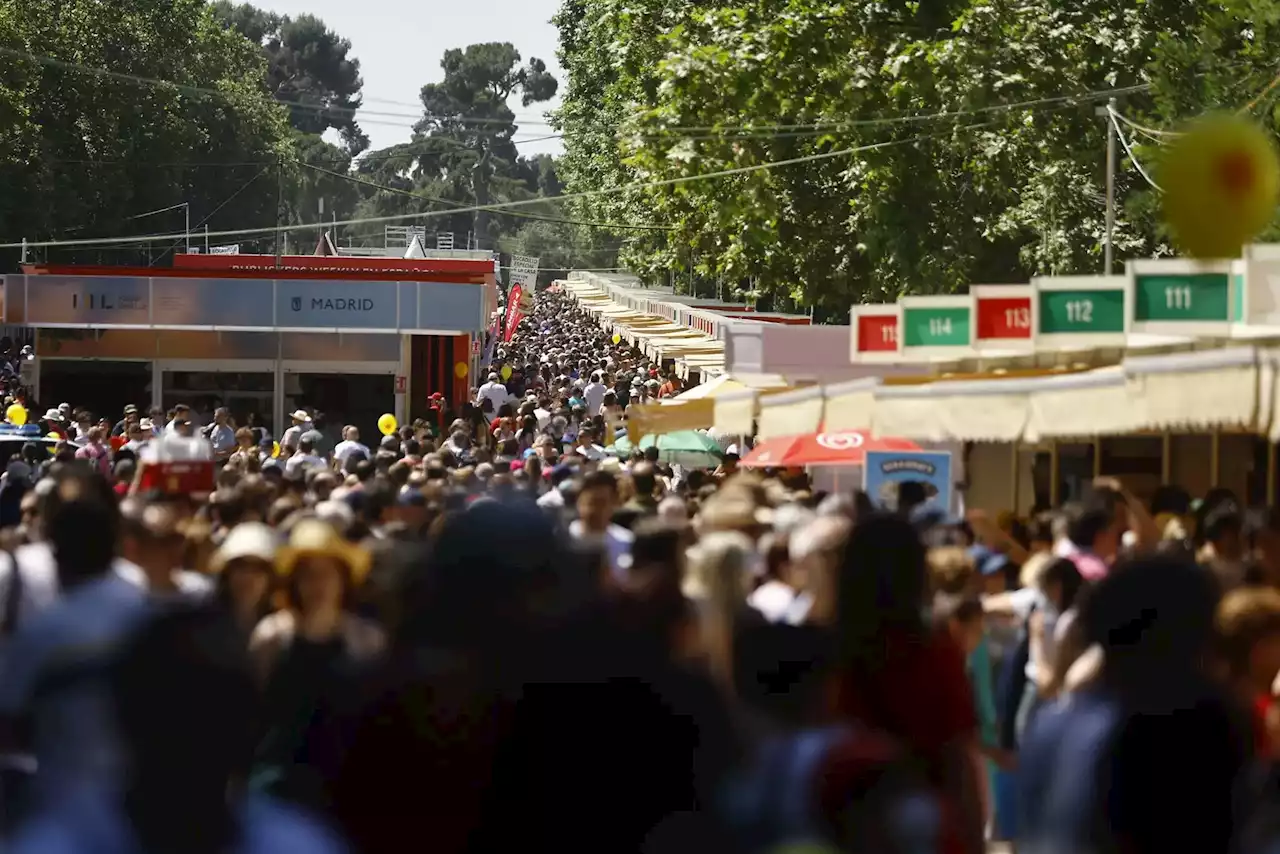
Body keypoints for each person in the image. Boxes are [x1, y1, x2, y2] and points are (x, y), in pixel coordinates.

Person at [0, 468, 150, 827]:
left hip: (111, 781)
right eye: (69, 512)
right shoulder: (14, 573)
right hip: (25, 773)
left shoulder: (133, 588)